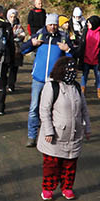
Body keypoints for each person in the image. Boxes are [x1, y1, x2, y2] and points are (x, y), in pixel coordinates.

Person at [38, 54, 91, 200]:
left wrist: (87, 128)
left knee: (70, 165)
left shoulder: (76, 87)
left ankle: (67, 187)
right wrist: (48, 131)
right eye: (69, 69)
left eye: (74, 69)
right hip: (54, 137)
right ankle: (48, 188)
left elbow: (84, 109)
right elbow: (44, 110)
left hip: (74, 135)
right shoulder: (51, 86)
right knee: (51, 165)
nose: (72, 72)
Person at [22, 16, 67, 147]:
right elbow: (23, 49)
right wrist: (32, 43)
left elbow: (71, 56)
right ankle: (32, 136)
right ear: (47, 25)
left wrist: (67, 49)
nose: (53, 27)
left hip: (55, 80)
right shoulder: (40, 36)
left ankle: (50, 135)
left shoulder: (62, 38)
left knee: (54, 109)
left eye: (55, 24)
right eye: (50, 24)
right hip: (39, 79)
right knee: (34, 107)